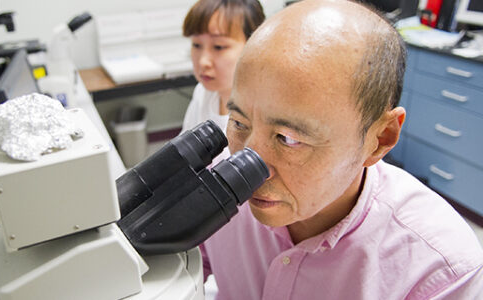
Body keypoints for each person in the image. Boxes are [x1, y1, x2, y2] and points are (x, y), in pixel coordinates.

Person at [200, 0, 483, 299]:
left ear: (381, 138)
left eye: (288, 138)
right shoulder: (214, 176)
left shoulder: (440, 270)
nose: (246, 166)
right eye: (240, 123)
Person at [180, 0, 265, 163]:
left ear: (254, 45)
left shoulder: (264, 112)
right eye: (196, 45)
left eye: (218, 47)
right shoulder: (203, 93)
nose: (203, 61)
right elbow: (183, 158)